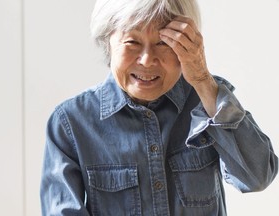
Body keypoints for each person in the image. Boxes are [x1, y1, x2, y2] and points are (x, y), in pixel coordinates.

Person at [40, 0, 278, 215]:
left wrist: (203, 81)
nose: (146, 60)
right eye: (132, 41)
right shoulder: (70, 122)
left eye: (163, 43)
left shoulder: (206, 98)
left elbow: (257, 177)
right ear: (107, 42)